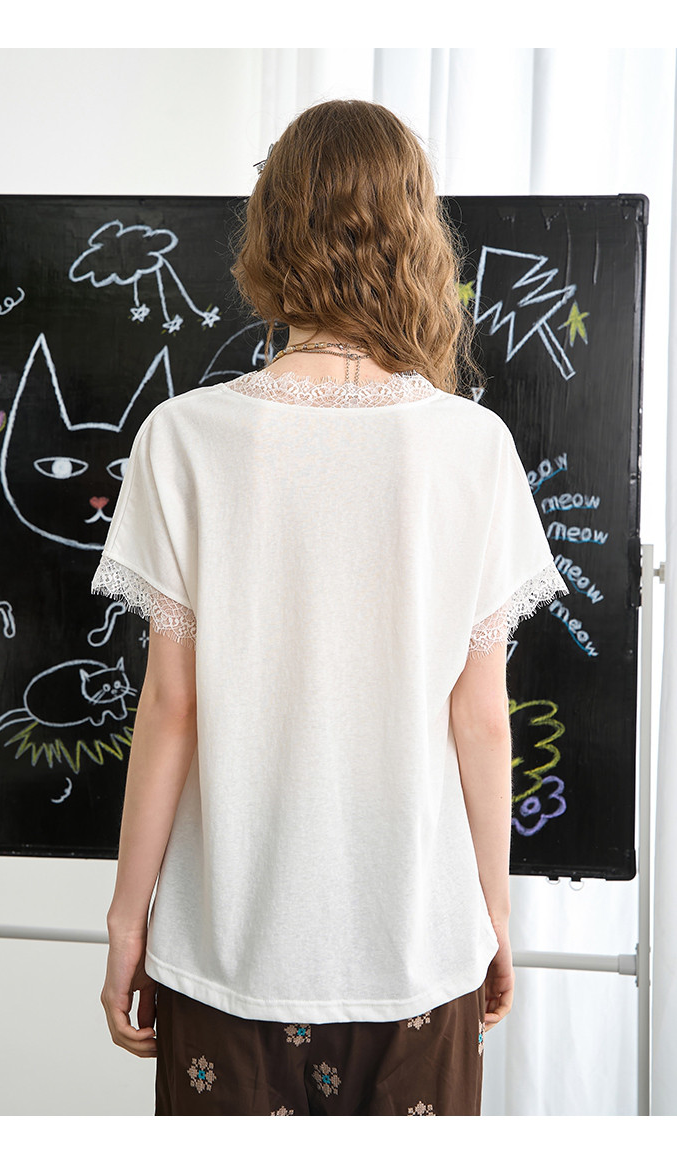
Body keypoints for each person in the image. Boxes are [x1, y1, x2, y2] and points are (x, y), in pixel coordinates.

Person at [92, 99, 569, 1116]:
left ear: (269, 231)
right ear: (416, 236)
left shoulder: (182, 437)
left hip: (224, 958)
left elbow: (171, 706)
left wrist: (128, 921)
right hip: (420, 954)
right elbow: (480, 715)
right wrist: (494, 915)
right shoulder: (473, 447)